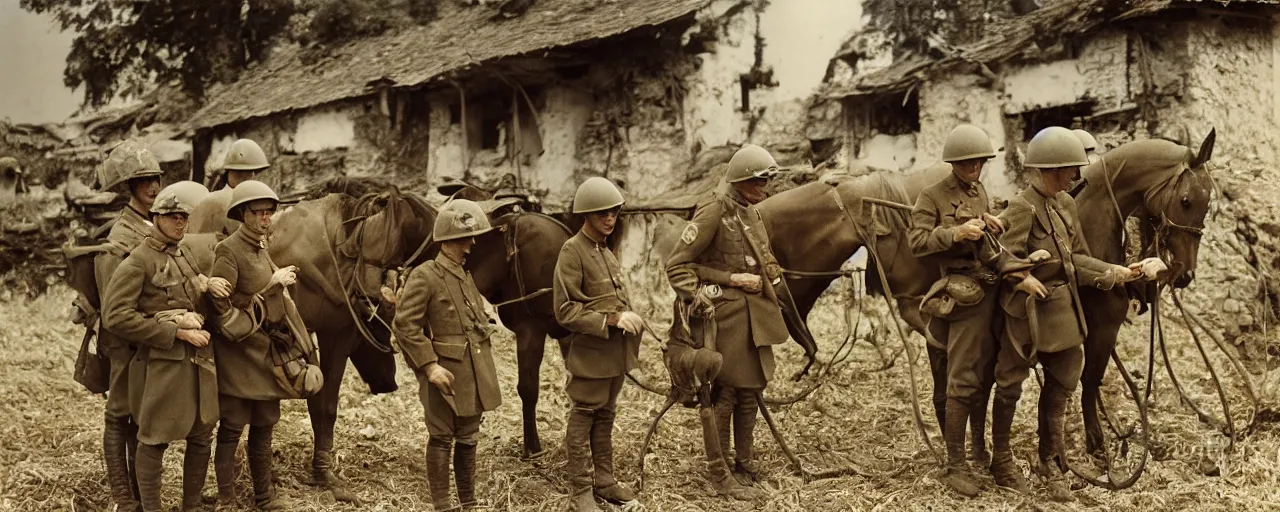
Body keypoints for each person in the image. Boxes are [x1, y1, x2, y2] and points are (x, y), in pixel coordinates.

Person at [993, 126, 1145, 501]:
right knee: (1010, 386)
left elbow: (1074, 257)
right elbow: (1002, 260)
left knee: (1063, 383)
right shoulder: (1021, 207)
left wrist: (1116, 272)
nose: (1076, 177)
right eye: (1069, 170)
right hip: (1024, 313)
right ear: (1049, 170)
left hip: (1060, 310)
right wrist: (1021, 276)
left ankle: (1052, 462)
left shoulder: (1065, 205)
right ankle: (1001, 460)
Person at [909, 124, 1032, 498]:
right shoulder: (932, 196)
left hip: (991, 287)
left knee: (987, 374)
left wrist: (993, 221)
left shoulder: (979, 190)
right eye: (967, 163)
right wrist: (955, 234)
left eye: (980, 162)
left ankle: (980, 449)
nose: (975, 168)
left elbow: (988, 234)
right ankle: (955, 465)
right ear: (954, 163)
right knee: (961, 380)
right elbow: (916, 242)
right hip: (962, 291)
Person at [665, 143, 793, 500]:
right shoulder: (713, 212)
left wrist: (774, 277)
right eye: (759, 183)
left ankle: (745, 464)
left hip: (754, 318)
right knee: (727, 394)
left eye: (767, 181)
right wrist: (723, 283)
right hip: (723, 320)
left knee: (750, 391)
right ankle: (719, 470)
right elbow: (678, 265)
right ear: (741, 181)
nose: (765, 189)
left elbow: (764, 258)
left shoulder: (751, 212)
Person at [101, 182, 219, 511]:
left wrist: (208, 288)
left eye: (185, 217)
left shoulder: (184, 255)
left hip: (197, 363)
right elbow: (116, 317)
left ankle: (191, 506)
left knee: (200, 434)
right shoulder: (138, 261)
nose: (181, 223)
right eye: (173, 217)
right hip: (161, 365)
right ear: (157, 218)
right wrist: (174, 331)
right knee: (153, 438)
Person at [207, 180, 318, 510]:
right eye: (258, 213)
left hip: (266, 353)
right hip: (240, 353)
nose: (266, 218)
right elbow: (220, 305)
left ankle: (264, 496)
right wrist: (272, 284)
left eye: (269, 212)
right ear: (243, 214)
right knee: (231, 427)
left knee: (265, 425)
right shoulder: (229, 250)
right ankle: (226, 498)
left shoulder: (260, 247)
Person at [392, 199, 502, 511]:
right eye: (467, 238)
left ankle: (468, 504)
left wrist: (487, 319)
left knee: (469, 438)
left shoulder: (464, 275)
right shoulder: (426, 275)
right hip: (444, 373)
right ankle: (443, 506)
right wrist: (429, 367)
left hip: (472, 372)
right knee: (441, 438)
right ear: (450, 240)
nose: (472, 244)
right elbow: (404, 326)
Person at [554, 177, 643, 511]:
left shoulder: (604, 251)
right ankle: (580, 491)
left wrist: (628, 315)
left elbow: (612, 299)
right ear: (587, 215)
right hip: (590, 353)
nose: (610, 219)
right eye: (603, 213)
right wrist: (612, 320)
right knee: (584, 415)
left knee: (606, 415)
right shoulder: (572, 251)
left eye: (615, 213)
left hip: (612, 353)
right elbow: (564, 311)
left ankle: (604, 481)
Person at [93, 140, 165, 511]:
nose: (152, 187)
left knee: (142, 416)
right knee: (119, 413)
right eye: (143, 182)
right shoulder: (120, 239)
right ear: (128, 188)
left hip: (147, 337)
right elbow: (113, 307)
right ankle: (124, 496)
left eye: (154, 179)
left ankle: (140, 492)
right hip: (124, 339)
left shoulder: (154, 225)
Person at [191, 138, 271, 236]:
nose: (252, 176)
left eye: (252, 172)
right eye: (249, 172)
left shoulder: (253, 203)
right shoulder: (216, 201)